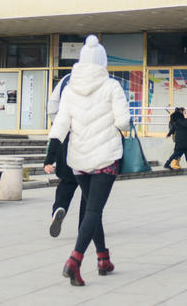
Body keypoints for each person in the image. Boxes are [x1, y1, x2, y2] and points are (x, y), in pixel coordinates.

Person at [45, 35, 130, 286]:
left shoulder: (70, 89)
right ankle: (74, 261)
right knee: (93, 210)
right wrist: (118, 124)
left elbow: (60, 124)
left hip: (79, 160)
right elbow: (123, 121)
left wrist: (50, 155)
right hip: (106, 158)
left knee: (92, 208)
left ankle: (103, 259)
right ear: (103, 62)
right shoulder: (112, 86)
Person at [44, 72, 78, 237]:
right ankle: (87, 225)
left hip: (66, 138)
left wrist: (49, 159)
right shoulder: (105, 81)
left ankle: (59, 207)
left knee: (67, 182)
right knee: (90, 189)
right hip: (91, 143)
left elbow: (52, 107)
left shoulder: (67, 80)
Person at [164, 107, 187, 173]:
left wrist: (169, 134)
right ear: (182, 112)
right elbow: (185, 124)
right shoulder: (181, 120)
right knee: (176, 153)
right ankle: (167, 164)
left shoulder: (178, 120)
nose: (185, 113)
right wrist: (185, 117)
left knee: (186, 155)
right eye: (185, 112)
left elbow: (173, 129)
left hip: (183, 140)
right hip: (182, 141)